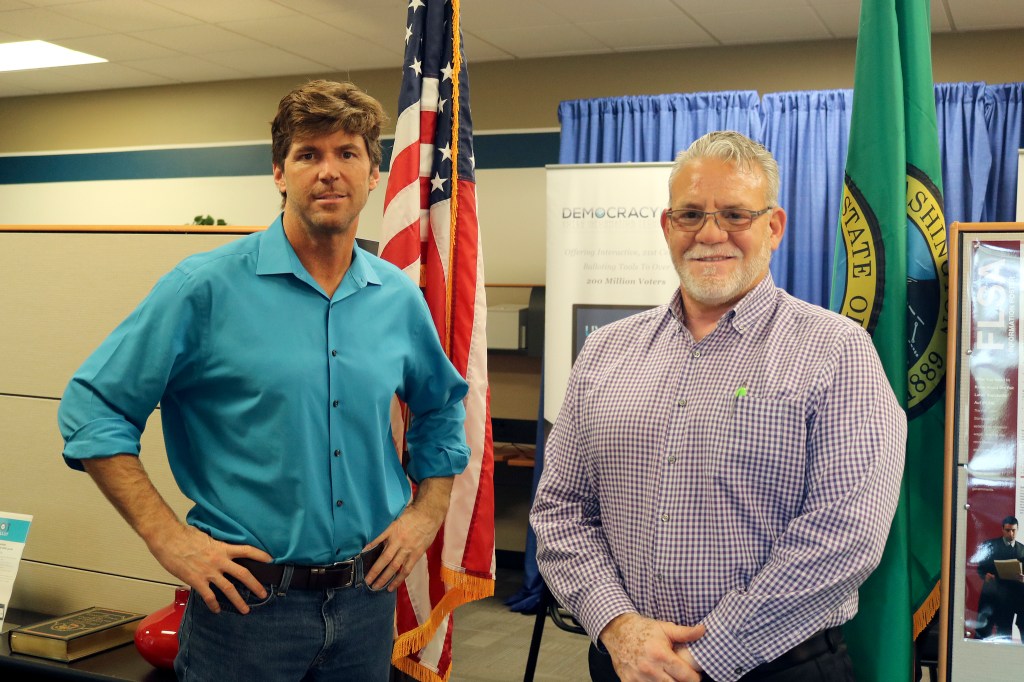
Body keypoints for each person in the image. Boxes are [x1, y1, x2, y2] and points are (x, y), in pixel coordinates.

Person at [57, 80, 470, 682]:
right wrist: (166, 537)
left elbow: (442, 406)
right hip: (246, 610)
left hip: (366, 602)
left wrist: (427, 513)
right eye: (308, 154)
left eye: (347, 153)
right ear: (279, 172)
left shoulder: (397, 298)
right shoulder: (204, 288)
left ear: (374, 173)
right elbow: (92, 408)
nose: (328, 172)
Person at [530, 131, 907, 682]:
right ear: (667, 226)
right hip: (627, 662)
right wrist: (617, 625)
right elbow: (561, 510)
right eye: (690, 215)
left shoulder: (836, 352)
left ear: (773, 227)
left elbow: (845, 535)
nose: (710, 234)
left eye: (735, 215)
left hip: (779, 670)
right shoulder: (605, 351)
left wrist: (702, 656)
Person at [975, 516, 1024, 640]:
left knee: (1005, 633)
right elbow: (981, 568)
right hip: (992, 595)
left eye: (1013, 530)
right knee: (983, 632)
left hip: (1011, 599)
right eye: (1008, 530)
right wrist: (985, 576)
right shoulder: (990, 545)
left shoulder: (1023, 550)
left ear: (1017, 529)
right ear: (1002, 529)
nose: (1011, 534)